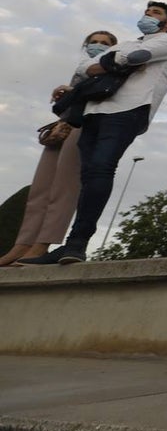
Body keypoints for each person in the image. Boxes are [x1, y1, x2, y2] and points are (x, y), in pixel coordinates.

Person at [19, 2, 167, 266]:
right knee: (88, 175)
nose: (148, 16)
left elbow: (133, 58)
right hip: (94, 112)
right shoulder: (127, 43)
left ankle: (77, 243)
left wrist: (113, 63)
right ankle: (72, 246)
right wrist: (115, 63)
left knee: (102, 168)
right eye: (146, 12)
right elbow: (85, 68)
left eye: (155, 13)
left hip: (129, 110)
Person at [1, 30, 118, 267]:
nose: (98, 45)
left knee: (63, 189)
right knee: (39, 190)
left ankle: (41, 245)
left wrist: (75, 92)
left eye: (104, 43)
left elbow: (103, 93)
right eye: (93, 42)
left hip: (85, 125)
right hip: (63, 126)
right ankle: (21, 245)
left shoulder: (111, 67)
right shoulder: (82, 69)